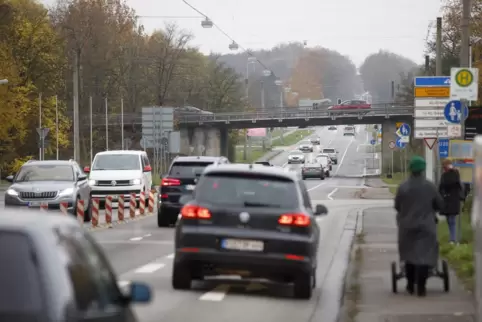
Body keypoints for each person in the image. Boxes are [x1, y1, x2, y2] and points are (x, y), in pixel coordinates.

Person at [395, 156, 444, 297]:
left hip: (407, 227)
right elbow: (439, 204)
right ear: (423, 170)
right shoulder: (430, 186)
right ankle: (421, 287)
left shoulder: (403, 187)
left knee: (409, 255)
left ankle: (410, 285)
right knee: (425, 255)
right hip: (426, 226)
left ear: (411, 170)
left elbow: (397, 206)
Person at [439, 159, 463, 244]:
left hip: (449, 200)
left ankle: (452, 239)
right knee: (450, 220)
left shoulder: (448, 175)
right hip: (451, 200)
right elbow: (459, 186)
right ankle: (452, 238)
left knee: (451, 220)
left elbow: (441, 187)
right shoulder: (454, 174)